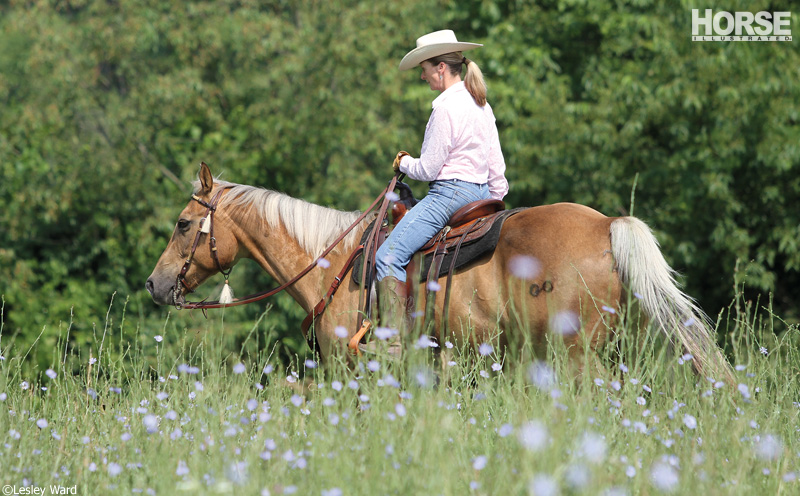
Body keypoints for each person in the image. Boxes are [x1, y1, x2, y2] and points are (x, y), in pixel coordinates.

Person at [375, 29, 509, 330]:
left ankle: (394, 341)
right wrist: (494, 199)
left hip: (448, 196)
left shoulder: (445, 108)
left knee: (387, 256)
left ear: (440, 68)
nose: (423, 77)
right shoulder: (482, 104)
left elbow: (430, 170)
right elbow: (497, 169)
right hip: (483, 195)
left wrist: (403, 162)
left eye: (424, 70)